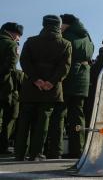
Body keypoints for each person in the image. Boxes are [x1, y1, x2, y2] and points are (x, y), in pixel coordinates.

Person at [15, 15, 72, 161]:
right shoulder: (65, 44)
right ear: (58, 26)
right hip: (51, 90)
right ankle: (36, 153)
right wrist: (51, 82)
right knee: (43, 121)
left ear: (43, 24)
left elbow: (24, 61)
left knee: (25, 119)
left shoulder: (31, 41)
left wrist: (36, 79)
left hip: (31, 87)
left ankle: (19, 152)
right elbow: (64, 67)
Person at [46, 14, 94, 159]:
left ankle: (55, 150)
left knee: (59, 114)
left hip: (68, 78)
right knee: (78, 116)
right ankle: (77, 149)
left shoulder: (67, 36)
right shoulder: (87, 38)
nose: (59, 27)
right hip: (83, 81)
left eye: (61, 24)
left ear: (66, 24)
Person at [0, 22, 23, 154]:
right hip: (5, 86)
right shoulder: (11, 45)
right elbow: (10, 66)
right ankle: (2, 146)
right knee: (9, 116)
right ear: (12, 33)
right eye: (18, 35)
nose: (18, 38)